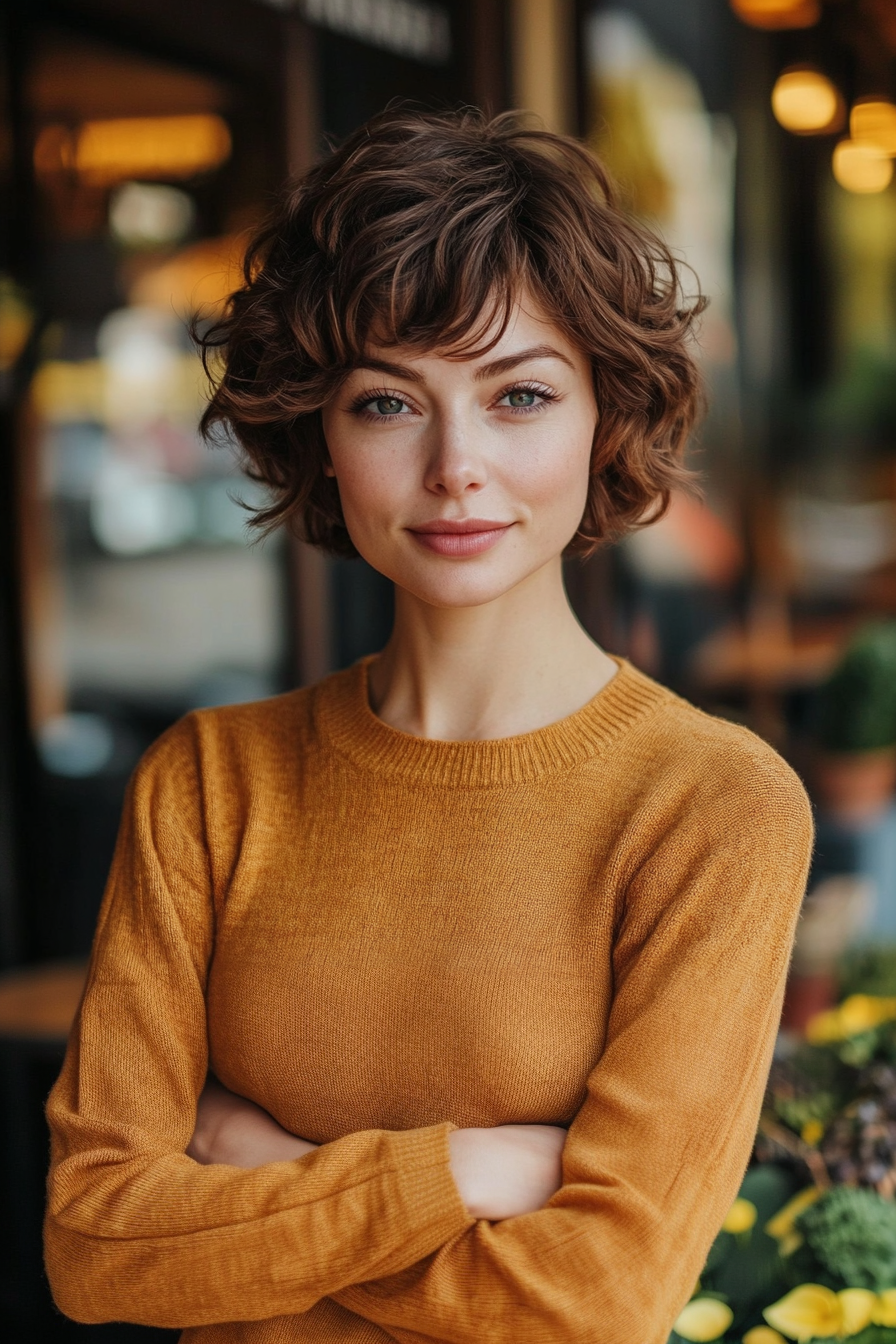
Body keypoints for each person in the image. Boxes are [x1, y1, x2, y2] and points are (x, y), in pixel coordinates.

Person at [44, 108, 813, 1344]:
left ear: (603, 418)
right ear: (321, 438)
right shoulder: (208, 781)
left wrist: (253, 1170)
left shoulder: (710, 803)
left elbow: (599, 1297)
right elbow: (95, 1248)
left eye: (517, 394)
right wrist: (457, 1174)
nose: (457, 464)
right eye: (388, 404)